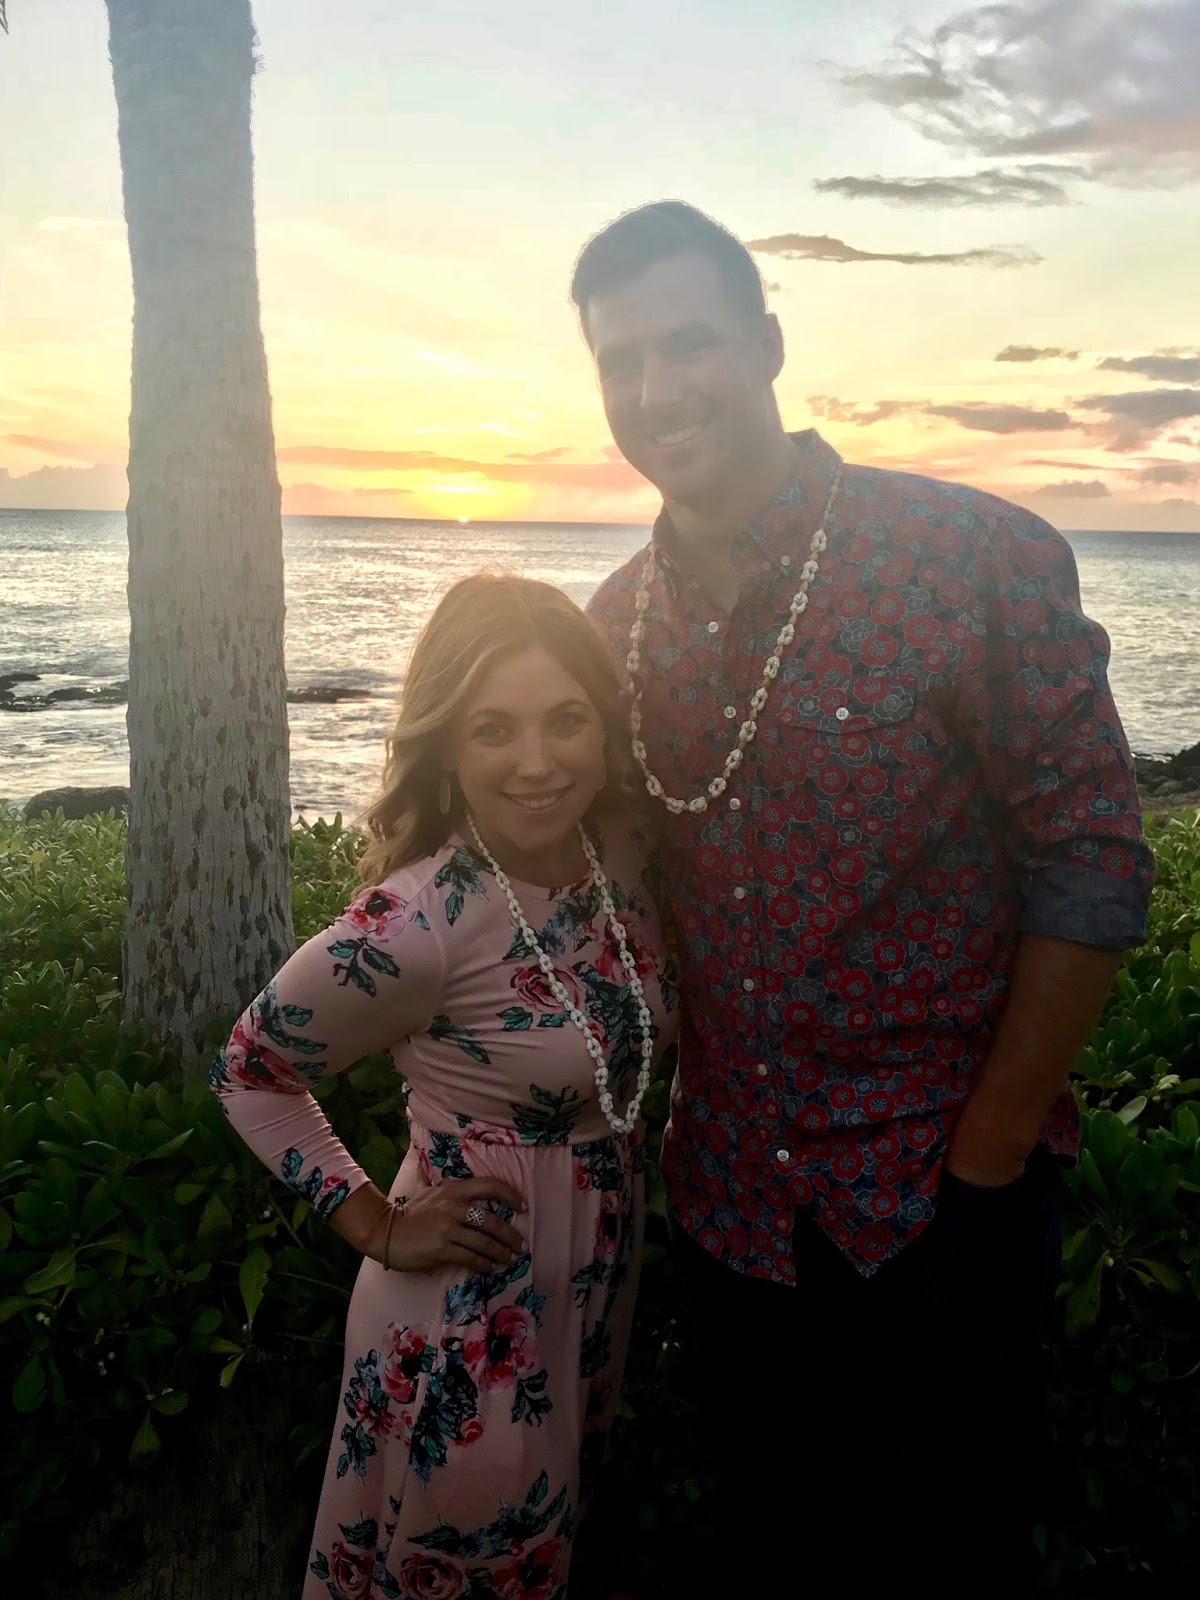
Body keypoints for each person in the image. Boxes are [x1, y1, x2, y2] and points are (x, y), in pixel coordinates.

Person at [574, 201, 1156, 1594]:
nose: (656, 390)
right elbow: (603, 884)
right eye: (619, 360)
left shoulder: (969, 559)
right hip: (731, 1215)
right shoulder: (611, 624)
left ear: (768, 345)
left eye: (689, 343)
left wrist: (990, 1154)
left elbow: (1092, 858)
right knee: (780, 1554)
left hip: (938, 1196)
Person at [210, 574, 679, 1600]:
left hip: (591, 1289)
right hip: (472, 1315)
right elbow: (249, 1071)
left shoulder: (625, 853)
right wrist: (377, 1225)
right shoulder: (415, 925)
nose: (538, 762)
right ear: (448, 747)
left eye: (566, 719)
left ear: (606, 725)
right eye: (493, 729)